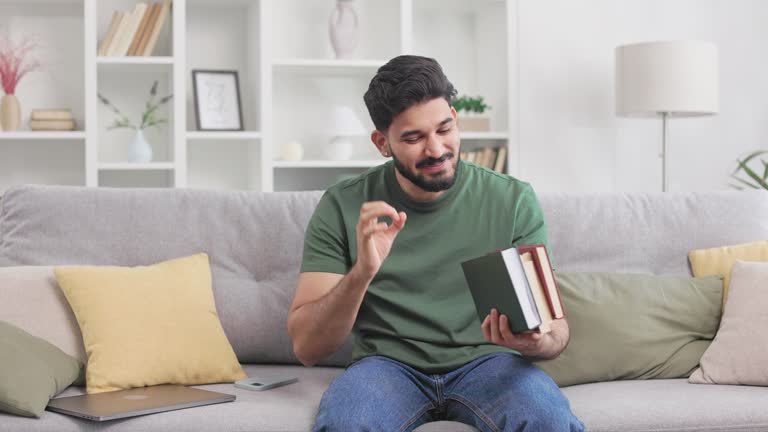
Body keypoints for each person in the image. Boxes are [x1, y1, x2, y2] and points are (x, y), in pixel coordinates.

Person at [287, 55, 584, 432]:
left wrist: (534, 341)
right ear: (382, 143)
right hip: (387, 368)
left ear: (456, 119)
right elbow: (307, 349)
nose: (437, 149)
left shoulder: (513, 200)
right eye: (414, 138)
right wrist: (362, 272)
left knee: (549, 420)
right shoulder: (343, 205)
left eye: (445, 129)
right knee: (346, 424)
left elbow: (557, 332)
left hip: (491, 363)